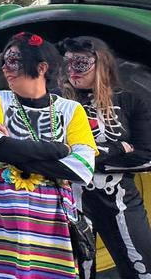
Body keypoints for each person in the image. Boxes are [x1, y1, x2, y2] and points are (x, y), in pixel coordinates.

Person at [0, 31, 98, 279]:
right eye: (5, 61)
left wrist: (12, 147)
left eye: (14, 60)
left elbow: (82, 169)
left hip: (47, 218)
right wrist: (58, 150)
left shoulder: (71, 110)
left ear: (41, 67)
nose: (5, 67)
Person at [59, 37, 151, 278]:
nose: (72, 71)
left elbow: (147, 156)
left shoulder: (130, 102)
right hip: (72, 200)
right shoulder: (56, 103)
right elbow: (54, 155)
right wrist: (120, 147)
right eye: (67, 63)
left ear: (101, 65)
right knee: (76, 270)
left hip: (120, 198)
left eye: (80, 63)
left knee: (143, 268)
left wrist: (83, 157)